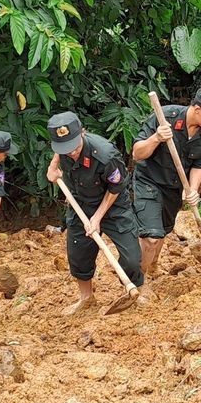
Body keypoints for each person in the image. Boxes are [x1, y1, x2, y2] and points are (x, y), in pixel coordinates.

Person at [45, 111, 144, 315]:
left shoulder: (105, 155)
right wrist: (53, 167)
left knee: (132, 258)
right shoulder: (63, 148)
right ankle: (87, 299)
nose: (70, 153)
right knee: (78, 254)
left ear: (82, 133)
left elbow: (116, 188)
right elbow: (59, 151)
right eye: (64, 148)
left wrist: (97, 218)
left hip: (113, 205)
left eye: (73, 147)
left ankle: (136, 293)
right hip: (80, 203)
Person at [130, 86, 201, 275]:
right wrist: (156, 138)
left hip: (175, 187)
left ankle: (152, 266)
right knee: (151, 236)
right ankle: (138, 282)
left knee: (163, 231)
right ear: (198, 109)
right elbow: (137, 154)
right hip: (149, 181)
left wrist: (192, 189)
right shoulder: (165, 118)